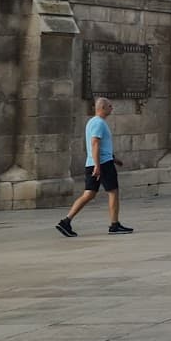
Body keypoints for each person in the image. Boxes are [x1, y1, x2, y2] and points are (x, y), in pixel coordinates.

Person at [57, 97, 131, 236]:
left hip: (94, 163)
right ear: (102, 108)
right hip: (102, 164)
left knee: (89, 193)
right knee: (113, 192)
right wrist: (98, 166)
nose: (112, 108)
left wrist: (114, 159)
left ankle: (66, 222)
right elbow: (95, 143)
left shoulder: (92, 122)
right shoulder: (99, 123)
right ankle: (114, 225)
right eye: (110, 106)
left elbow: (100, 147)